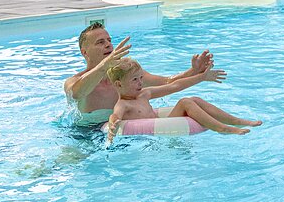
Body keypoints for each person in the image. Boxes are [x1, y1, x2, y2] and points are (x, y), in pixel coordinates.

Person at [65, 21, 225, 126]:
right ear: (85, 52)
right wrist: (103, 66)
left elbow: (167, 82)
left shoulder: (125, 73)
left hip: (124, 129)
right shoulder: (75, 81)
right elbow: (77, 94)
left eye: (109, 40)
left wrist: (193, 71)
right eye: (100, 42)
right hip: (85, 135)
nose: (108, 45)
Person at [103, 58, 261, 136]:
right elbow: (115, 115)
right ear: (118, 84)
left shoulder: (145, 93)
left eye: (141, 78)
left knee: (194, 100)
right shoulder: (123, 104)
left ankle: (236, 121)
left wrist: (201, 77)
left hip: (162, 123)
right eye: (134, 80)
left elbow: (175, 86)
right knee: (185, 102)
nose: (140, 83)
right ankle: (222, 128)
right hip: (153, 134)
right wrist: (113, 124)